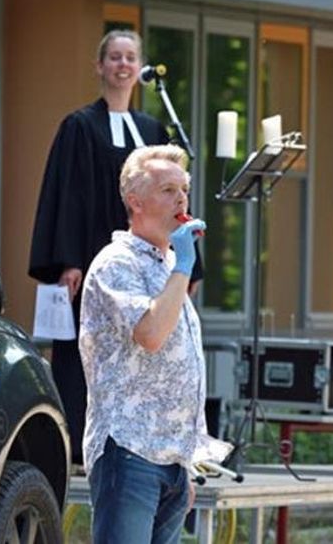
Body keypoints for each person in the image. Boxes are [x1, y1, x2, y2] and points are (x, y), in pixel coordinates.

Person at [28, 29, 199, 466]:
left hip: (150, 262)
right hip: (93, 261)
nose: (123, 65)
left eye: (130, 58)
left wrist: (186, 270)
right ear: (100, 66)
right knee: (86, 355)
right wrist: (68, 261)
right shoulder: (79, 126)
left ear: (139, 69)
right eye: (115, 57)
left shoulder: (152, 131)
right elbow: (67, 195)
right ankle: (76, 449)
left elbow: (174, 197)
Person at [79, 145, 231, 543]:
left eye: (183, 189)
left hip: (172, 459)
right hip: (130, 453)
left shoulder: (165, 265)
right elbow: (150, 335)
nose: (181, 199)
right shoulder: (117, 262)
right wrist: (184, 265)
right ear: (135, 201)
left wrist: (186, 461)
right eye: (167, 190)